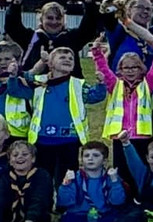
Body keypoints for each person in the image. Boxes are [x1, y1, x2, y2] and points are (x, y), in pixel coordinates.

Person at [90, 30, 153, 174]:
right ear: (120, 70)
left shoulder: (146, 85)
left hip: (141, 136)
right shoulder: (115, 85)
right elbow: (104, 70)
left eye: (134, 67)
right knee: (121, 171)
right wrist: (97, 52)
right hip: (119, 136)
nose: (130, 71)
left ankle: (139, 196)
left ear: (141, 69)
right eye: (126, 68)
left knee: (140, 171)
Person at [26, 46, 103, 187]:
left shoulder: (78, 84)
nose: (67, 59)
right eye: (62, 57)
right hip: (43, 138)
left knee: (67, 177)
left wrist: (100, 84)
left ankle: (65, 206)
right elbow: (19, 84)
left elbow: (95, 97)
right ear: (50, 63)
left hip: (69, 139)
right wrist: (39, 64)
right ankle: (44, 205)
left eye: (71, 58)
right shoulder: (38, 81)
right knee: (43, 177)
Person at [0, 0, 106, 77]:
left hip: (66, 94)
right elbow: (12, 27)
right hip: (35, 91)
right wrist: (16, 4)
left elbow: (89, 29)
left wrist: (89, 5)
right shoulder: (32, 37)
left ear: (64, 20)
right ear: (41, 19)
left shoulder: (72, 38)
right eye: (50, 18)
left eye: (58, 18)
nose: (54, 22)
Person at [56, 143, 130, 222]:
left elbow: (117, 201)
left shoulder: (110, 177)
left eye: (96, 155)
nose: (90, 158)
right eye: (86, 156)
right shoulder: (75, 177)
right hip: (79, 215)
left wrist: (115, 182)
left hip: (103, 214)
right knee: (67, 220)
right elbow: (64, 202)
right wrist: (66, 185)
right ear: (81, 160)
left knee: (117, 221)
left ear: (104, 161)